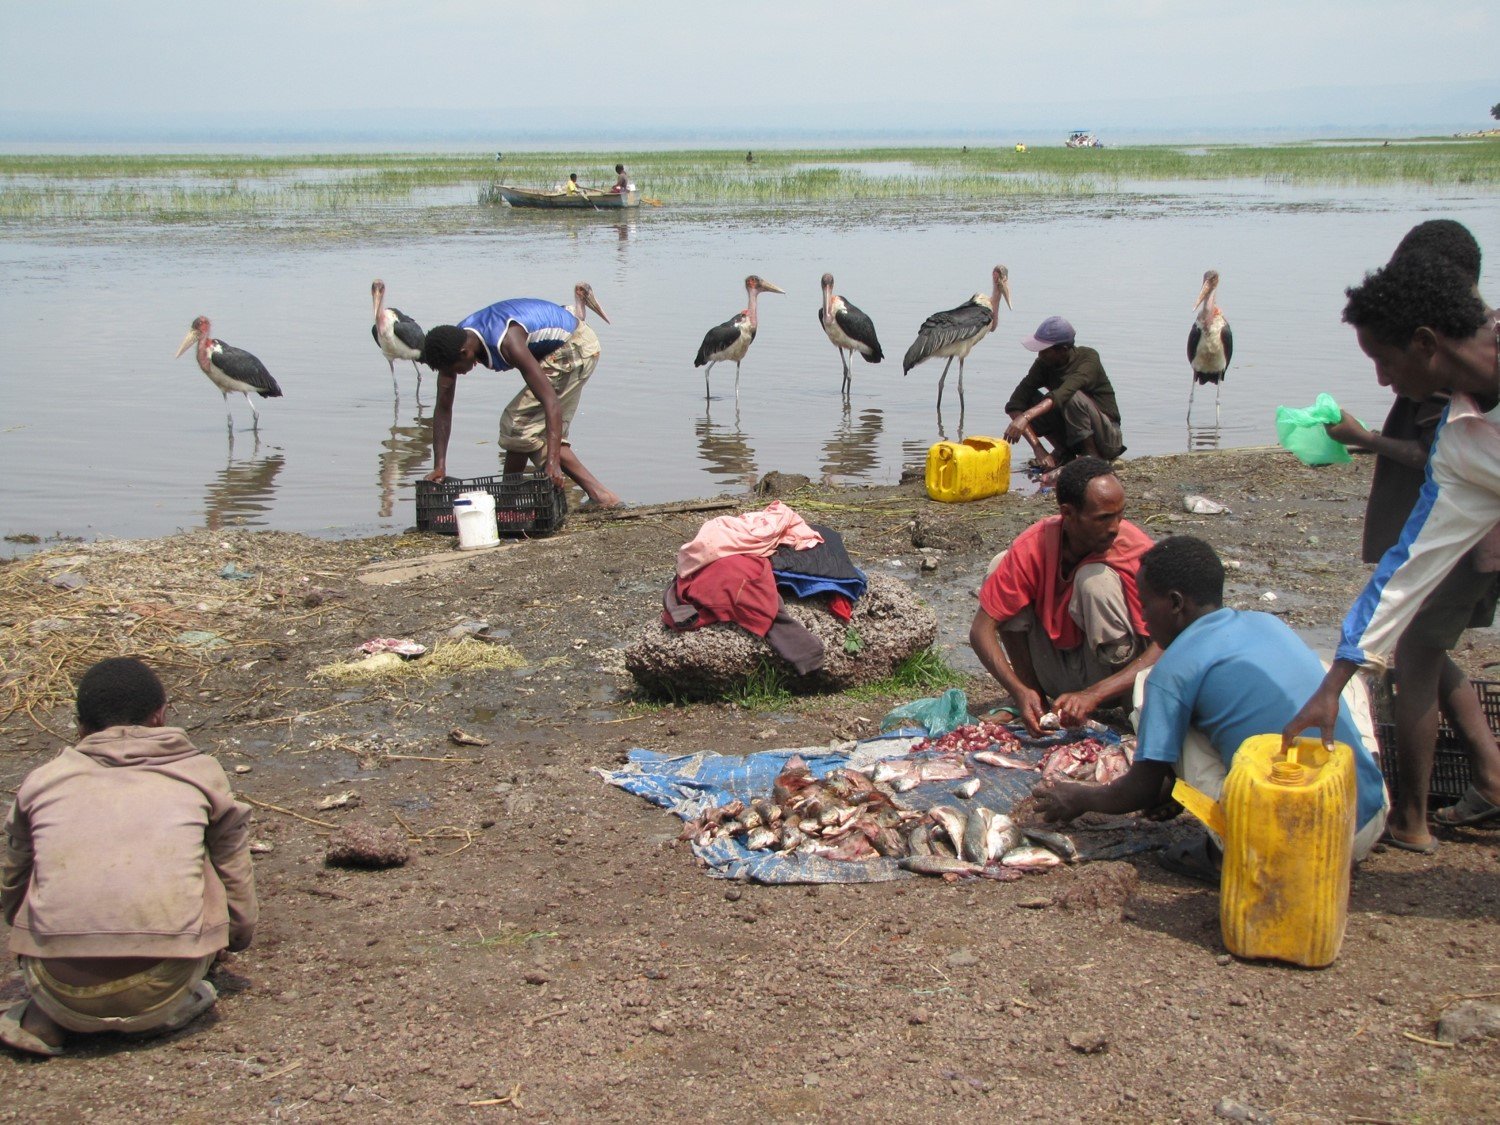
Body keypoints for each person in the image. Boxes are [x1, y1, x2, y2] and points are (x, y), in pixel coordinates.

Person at [1286, 248, 1500, 840]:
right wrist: (1334, 685)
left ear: (1427, 344)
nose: (1382, 380)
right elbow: (1405, 572)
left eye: (1384, 360)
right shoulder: (1460, 447)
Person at [1034, 536, 1389, 880]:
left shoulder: (1169, 672)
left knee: (1153, 694)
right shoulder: (1268, 623)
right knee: (1331, 673)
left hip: (1292, 847)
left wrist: (1079, 797)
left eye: (1144, 604)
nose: (1143, 618)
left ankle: (1223, 856)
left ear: (1175, 603)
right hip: (1366, 820)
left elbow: (1138, 791)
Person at [0, 658, 257, 1058]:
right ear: (160, 716)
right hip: (166, 987)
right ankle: (171, 1008)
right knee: (200, 850)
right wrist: (233, 939)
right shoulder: (199, 774)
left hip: (55, 987)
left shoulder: (42, 782)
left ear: (81, 726)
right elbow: (235, 876)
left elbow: (13, 887)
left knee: (53, 854)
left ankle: (47, 1017)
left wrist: (33, 942)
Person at [969, 457, 1159, 736]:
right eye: (1103, 518)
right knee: (1001, 563)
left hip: (1118, 679)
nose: (1115, 526)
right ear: (1068, 513)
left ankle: (1123, 705)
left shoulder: (1135, 548)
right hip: (1057, 671)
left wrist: (1096, 693)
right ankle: (1035, 703)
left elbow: (1170, 642)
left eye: (1120, 514)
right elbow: (980, 631)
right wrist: (1019, 690)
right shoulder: (1036, 544)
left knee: (1095, 579)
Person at [419, 296, 622, 508]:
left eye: (457, 370)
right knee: (528, 431)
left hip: (575, 347)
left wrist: (552, 463)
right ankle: (600, 496)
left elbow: (550, 401)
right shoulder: (454, 343)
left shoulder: (508, 342)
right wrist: (440, 466)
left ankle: (508, 501)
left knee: (517, 424)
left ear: (464, 352)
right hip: (562, 348)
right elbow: (443, 407)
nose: (459, 374)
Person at [1003, 316, 1126, 471]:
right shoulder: (1043, 364)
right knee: (1030, 399)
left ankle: (1091, 459)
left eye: (1045, 351)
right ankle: (1064, 452)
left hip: (1107, 438)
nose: (1040, 355)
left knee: (1072, 397)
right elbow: (1015, 403)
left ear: (1063, 350)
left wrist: (1026, 417)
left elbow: (1063, 393)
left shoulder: (1089, 358)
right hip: (1071, 436)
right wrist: (1038, 448)